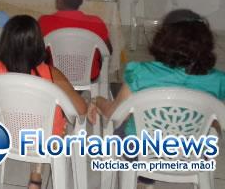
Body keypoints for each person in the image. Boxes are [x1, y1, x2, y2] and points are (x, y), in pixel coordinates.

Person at [0, 15, 86, 189]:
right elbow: (81, 109)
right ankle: (35, 177)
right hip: (45, 140)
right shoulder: (52, 74)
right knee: (51, 121)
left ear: (5, 42)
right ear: (38, 44)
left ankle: (35, 177)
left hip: (7, 135)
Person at [88, 9, 225, 144]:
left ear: (163, 40)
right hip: (192, 153)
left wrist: (96, 100)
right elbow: (219, 120)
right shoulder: (219, 80)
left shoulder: (141, 73)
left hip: (139, 151)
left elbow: (114, 114)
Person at [38, 0, 111, 81]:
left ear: (60, 0)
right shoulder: (96, 22)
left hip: (55, 75)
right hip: (89, 75)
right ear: (80, 2)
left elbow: (37, 50)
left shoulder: (44, 21)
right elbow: (108, 50)